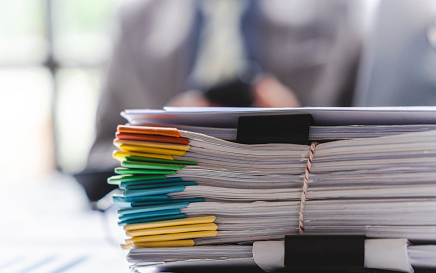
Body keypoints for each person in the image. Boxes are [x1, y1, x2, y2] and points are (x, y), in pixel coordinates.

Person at [81, 0, 363, 201]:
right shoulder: (135, 21)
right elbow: (100, 157)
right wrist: (157, 142)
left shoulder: (333, 12)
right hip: (174, 227)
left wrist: (299, 127)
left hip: (296, 221)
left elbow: (371, 150)